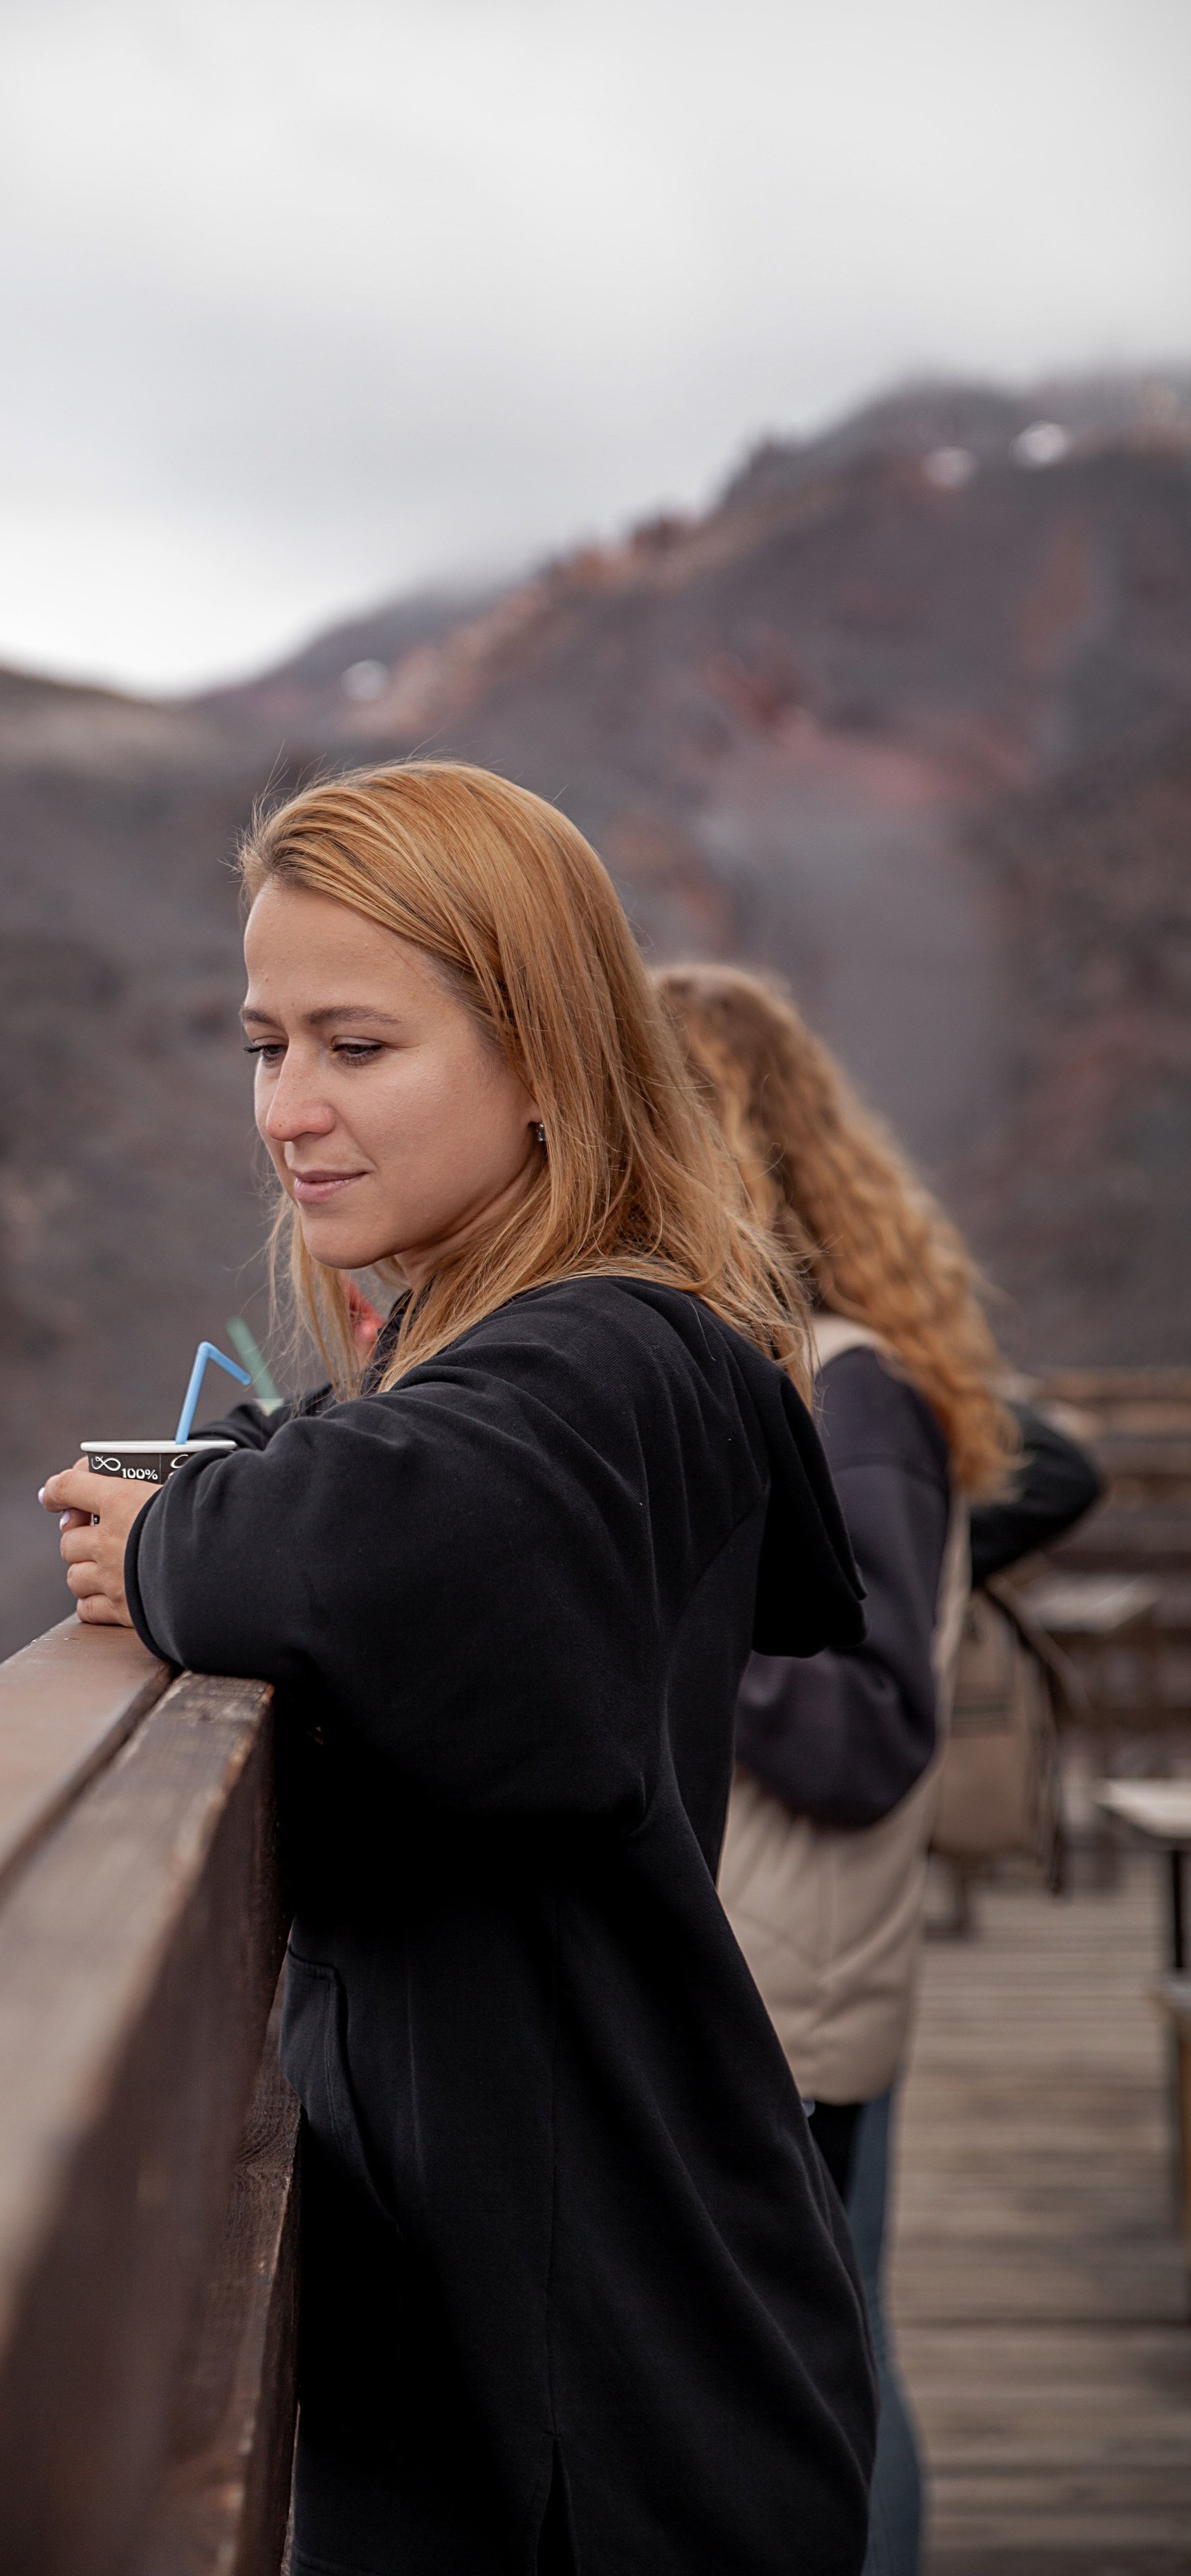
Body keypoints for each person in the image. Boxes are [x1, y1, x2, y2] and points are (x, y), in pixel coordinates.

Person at [42, 764, 876, 2575]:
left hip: (609, 2396)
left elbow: (374, 1544)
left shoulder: (614, 1350)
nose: (290, 1108)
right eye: (266, 1047)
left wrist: (167, 1538)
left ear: (546, 1055)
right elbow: (384, 1497)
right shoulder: (519, 1353)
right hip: (560, 2329)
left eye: (356, 1043)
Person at [654, 962, 1020, 2576]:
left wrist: (669, 1589)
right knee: (815, 2364)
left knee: (817, 2385)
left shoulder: (844, 1391)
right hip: (773, 1973)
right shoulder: (793, 1373)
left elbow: (867, 1727)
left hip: (778, 1991)